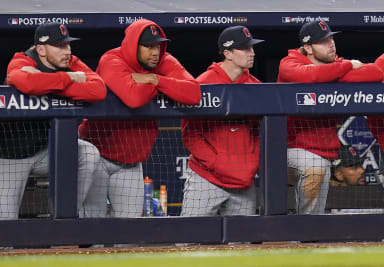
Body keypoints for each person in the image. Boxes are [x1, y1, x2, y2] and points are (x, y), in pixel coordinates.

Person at [0, 22, 107, 220]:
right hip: (5, 155)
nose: (67, 51)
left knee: (88, 152)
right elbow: (25, 82)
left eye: (68, 45)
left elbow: (98, 89)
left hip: (45, 151)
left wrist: (48, 80)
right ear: (40, 49)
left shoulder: (69, 62)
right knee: (4, 230)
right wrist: (71, 78)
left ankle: (63, 216)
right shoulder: (20, 60)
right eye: (59, 46)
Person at [79, 19, 201, 217]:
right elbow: (134, 99)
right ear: (133, 45)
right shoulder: (112, 60)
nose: (155, 52)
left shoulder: (164, 61)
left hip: (131, 163)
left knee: (131, 230)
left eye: (158, 46)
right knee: (92, 227)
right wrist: (166, 85)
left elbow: (193, 93)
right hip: (98, 157)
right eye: (148, 46)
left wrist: (155, 79)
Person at [278, 20, 382, 214]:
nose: (331, 44)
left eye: (331, 38)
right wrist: (348, 66)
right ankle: (302, 230)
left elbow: (375, 72)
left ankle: (307, 238)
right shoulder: (289, 63)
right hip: (286, 152)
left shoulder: (335, 65)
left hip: (323, 154)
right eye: (323, 41)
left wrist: (338, 71)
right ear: (308, 47)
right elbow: (309, 76)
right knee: (315, 166)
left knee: (316, 204)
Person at [181, 26, 263, 216]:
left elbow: (260, 132)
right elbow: (191, 135)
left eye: (252, 48)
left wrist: (251, 163)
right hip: (207, 178)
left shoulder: (256, 87)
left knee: (241, 244)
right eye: (245, 49)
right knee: (188, 241)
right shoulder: (204, 83)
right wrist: (219, 163)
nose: (252, 53)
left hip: (244, 181)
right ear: (228, 53)